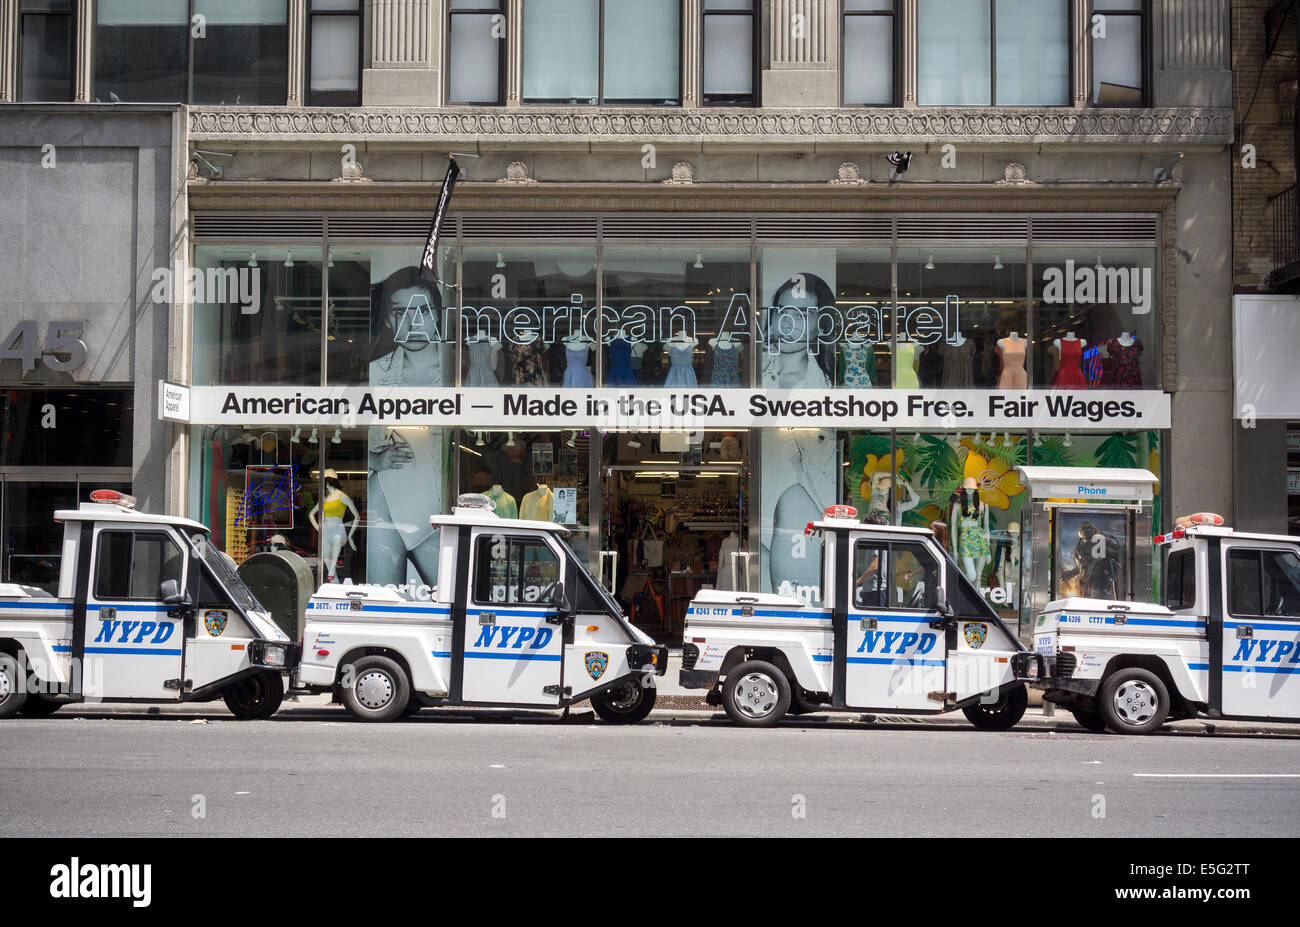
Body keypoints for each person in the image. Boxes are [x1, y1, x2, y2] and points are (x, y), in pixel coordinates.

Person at [366, 266, 448, 592]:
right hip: (386, 502)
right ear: (388, 320)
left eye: (422, 311)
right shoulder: (373, 376)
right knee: (380, 606)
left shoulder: (457, 373)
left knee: (455, 605)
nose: (413, 324)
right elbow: (348, 440)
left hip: (436, 511)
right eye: (401, 312)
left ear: (438, 316)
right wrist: (374, 462)